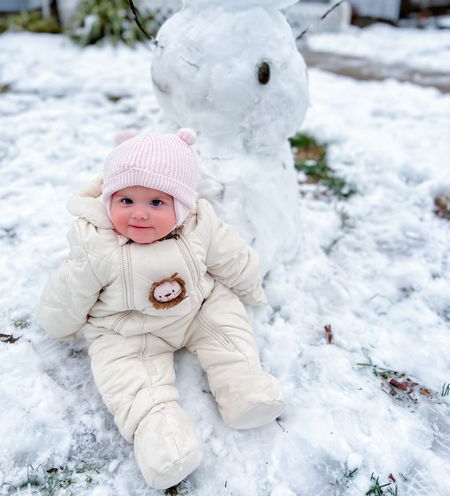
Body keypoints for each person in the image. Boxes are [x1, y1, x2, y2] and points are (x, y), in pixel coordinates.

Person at [38, 128, 284, 489]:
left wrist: (250, 286)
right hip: (129, 330)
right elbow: (69, 292)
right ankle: (160, 434)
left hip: (198, 309)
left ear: (181, 205)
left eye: (156, 203)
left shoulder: (199, 225)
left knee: (227, 325)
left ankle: (242, 385)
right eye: (126, 201)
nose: (139, 214)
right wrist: (58, 323)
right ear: (109, 199)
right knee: (128, 378)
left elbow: (231, 257)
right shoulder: (97, 246)